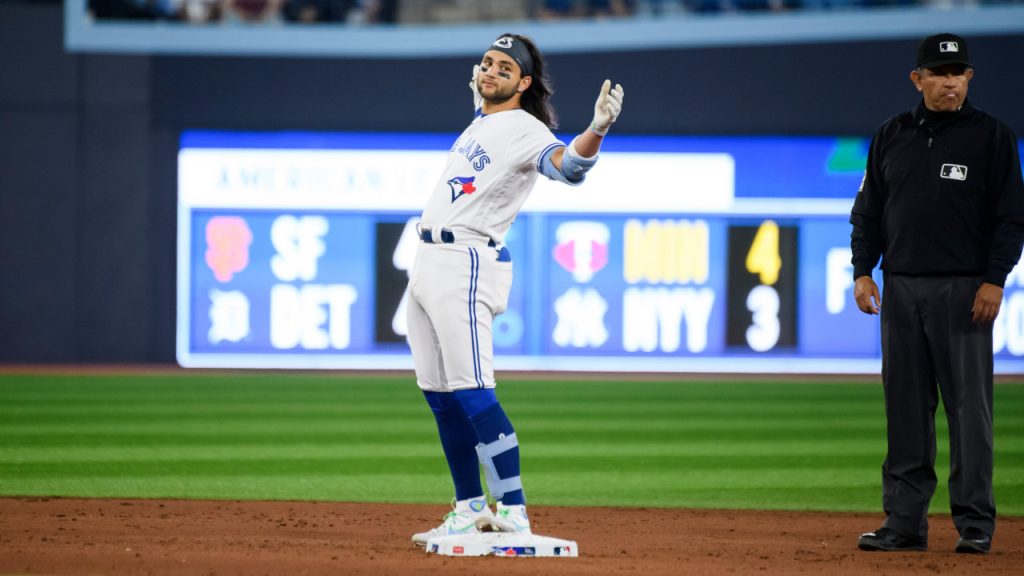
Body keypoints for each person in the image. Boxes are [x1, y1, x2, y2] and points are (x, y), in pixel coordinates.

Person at [407, 33, 624, 546]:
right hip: (428, 260)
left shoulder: (525, 127)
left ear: (524, 83)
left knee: (473, 388)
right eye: (485, 62)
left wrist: (596, 130)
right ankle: (466, 507)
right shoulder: (483, 121)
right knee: (440, 395)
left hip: (466, 259)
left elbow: (567, 167)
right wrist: (482, 95)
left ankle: (516, 510)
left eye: (504, 67)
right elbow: (485, 108)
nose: (489, 71)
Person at [850, 33, 1024, 554]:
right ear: (918, 79)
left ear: (968, 77)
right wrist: (863, 271)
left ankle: (974, 524)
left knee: (970, 410)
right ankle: (904, 523)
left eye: (959, 73)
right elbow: (868, 212)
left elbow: (1012, 218)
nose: (950, 81)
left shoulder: (992, 137)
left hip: (965, 289)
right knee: (905, 409)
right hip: (901, 288)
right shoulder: (890, 135)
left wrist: (995, 279)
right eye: (940, 73)